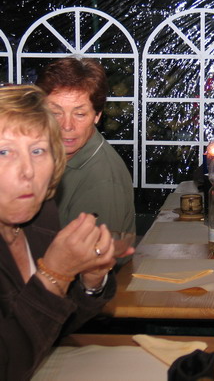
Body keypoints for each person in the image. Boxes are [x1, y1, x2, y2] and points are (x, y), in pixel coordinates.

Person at [0, 85, 132, 380]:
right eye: (4, 151)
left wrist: (90, 281)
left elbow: (51, 326)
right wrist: (55, 274)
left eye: (38, 151)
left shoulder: (39, 216)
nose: (27, 170)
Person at [35, 58, 135, 236]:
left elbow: (91, 253)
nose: (67, 126)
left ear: (97, 115)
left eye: (80, 114)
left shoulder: (101, 181)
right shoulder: (42, 156)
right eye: (55, 113)